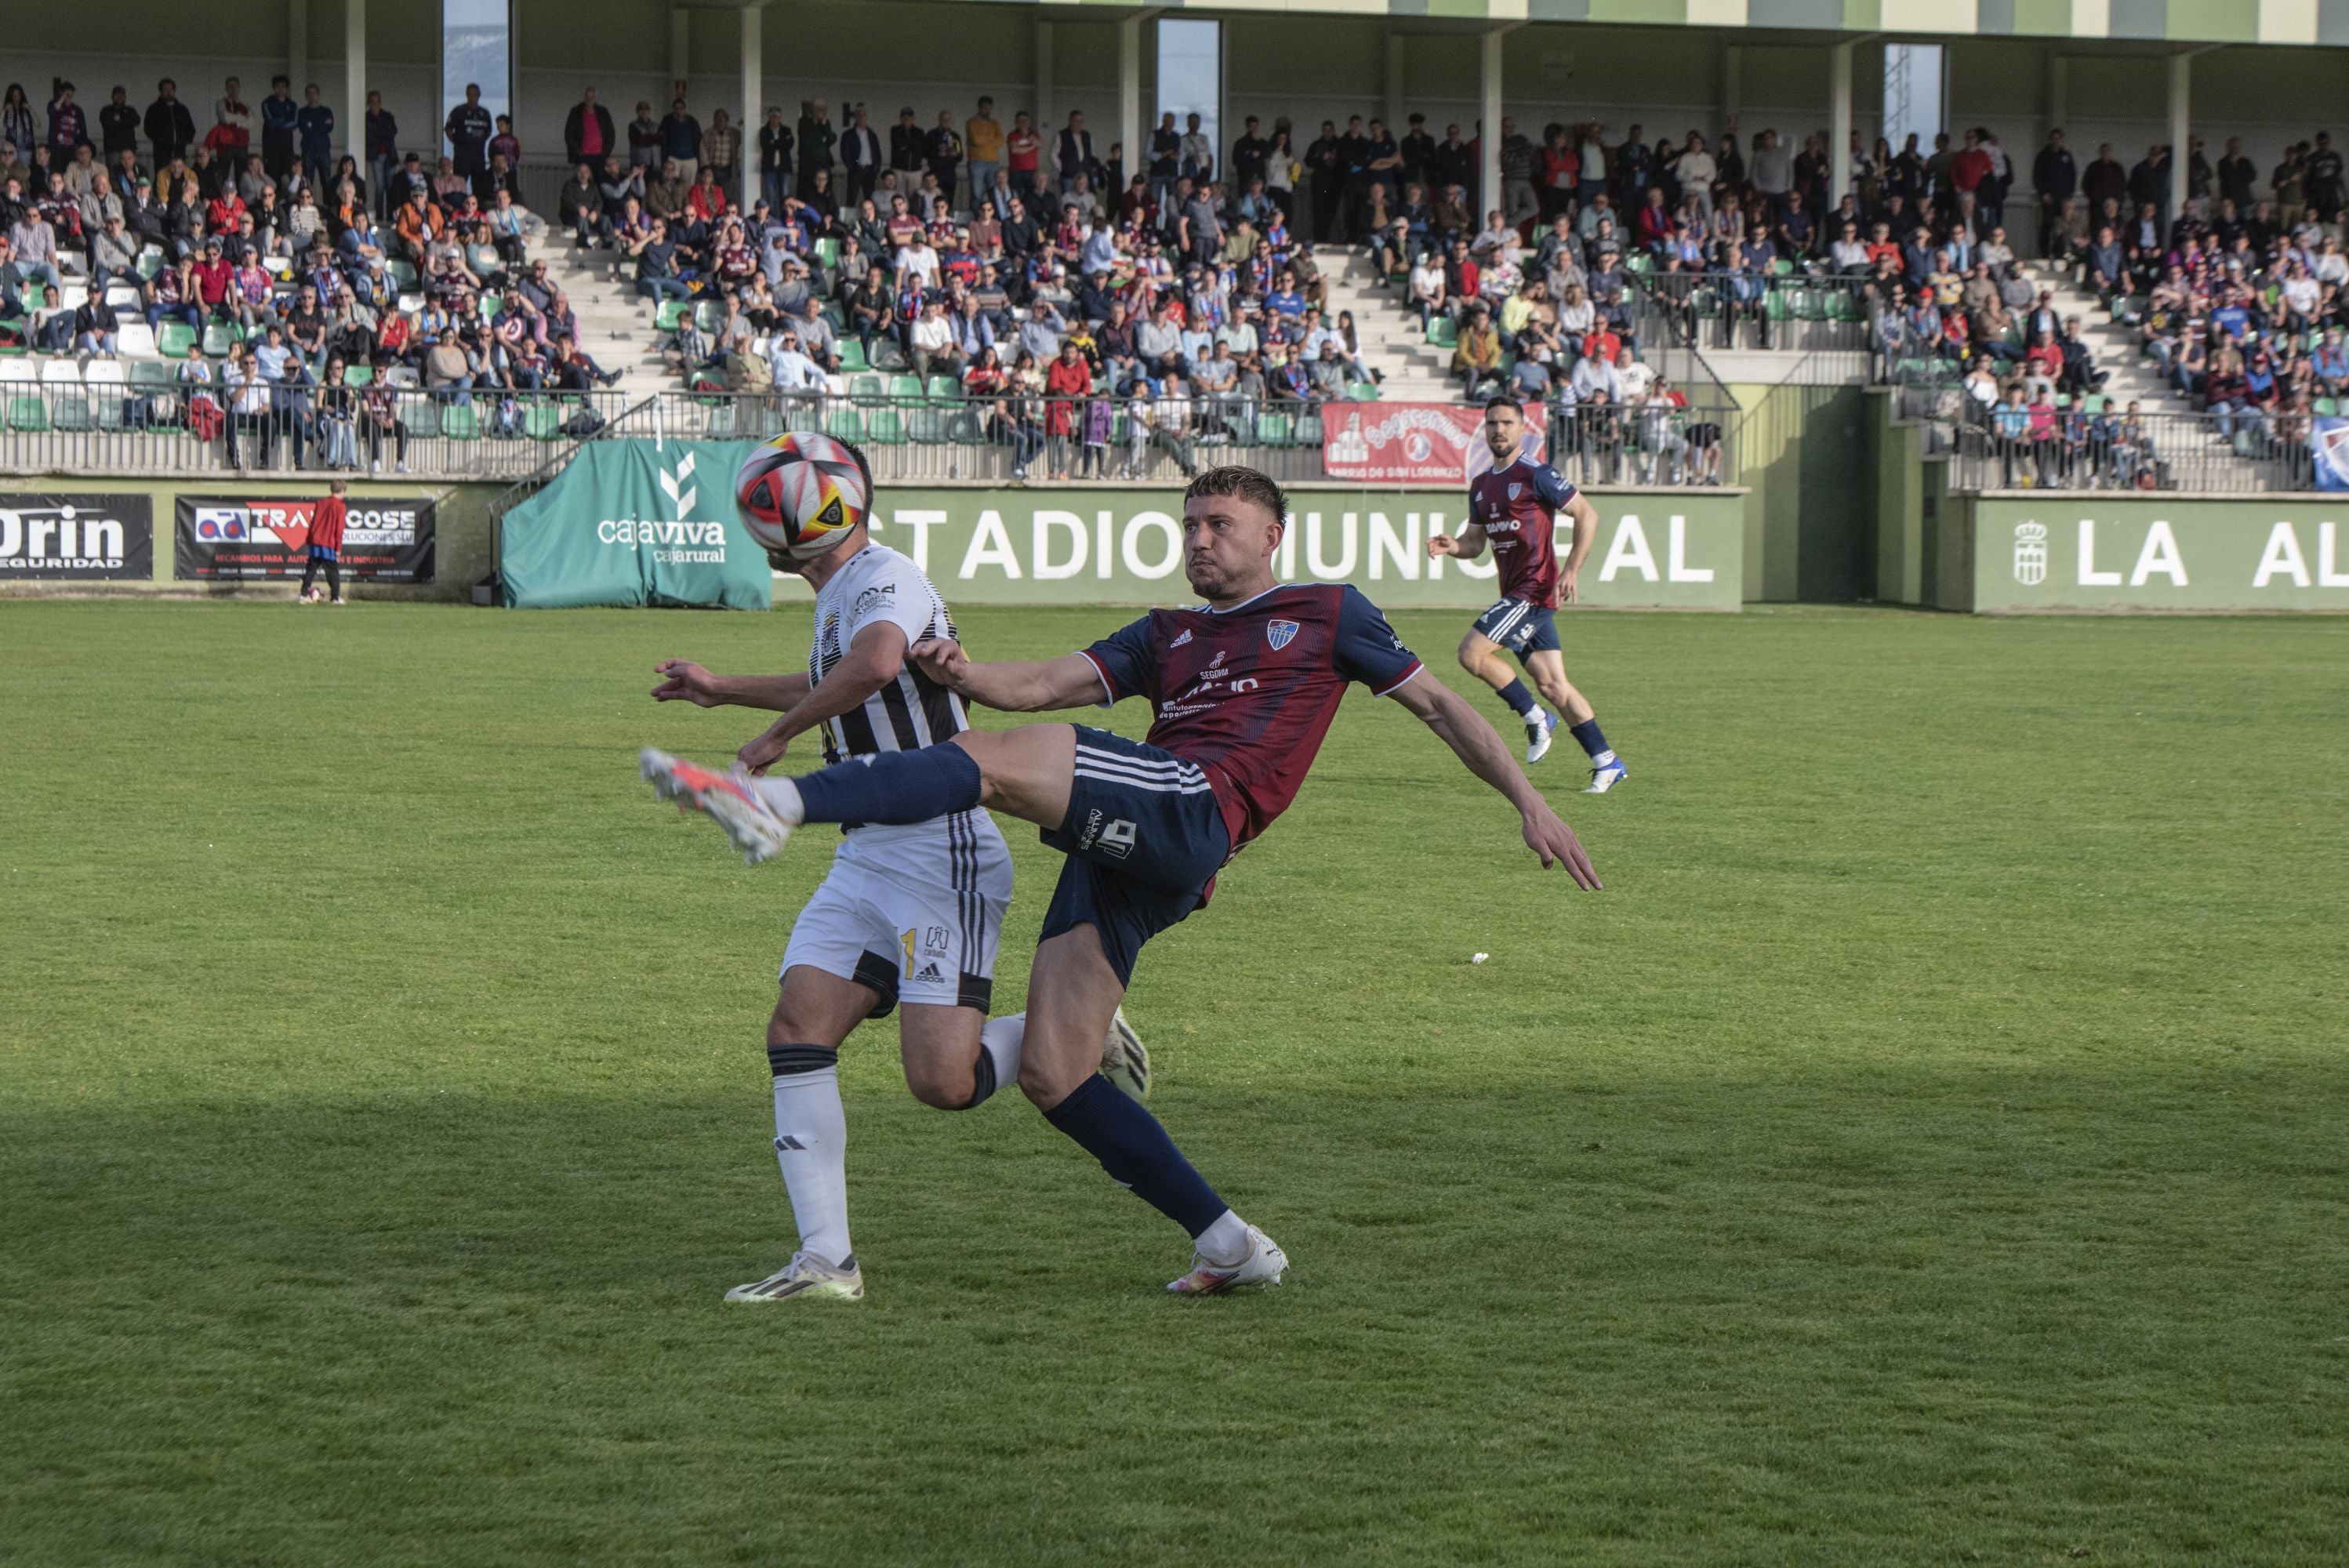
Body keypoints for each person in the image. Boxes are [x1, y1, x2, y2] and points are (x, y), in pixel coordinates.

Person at [640, 465, 1602, 1294]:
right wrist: (962, 669)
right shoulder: (1166, 632)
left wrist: (1529, 799)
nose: (1199, 540)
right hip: (1133, 843)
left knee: (983, 761)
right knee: (1053, 1071)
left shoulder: (1327, 611)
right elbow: (1042, 685)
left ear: (1273, 535)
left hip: (1194, 804)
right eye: (1189, 524)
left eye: (1218, 524)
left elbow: (1439, 706)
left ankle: (779, 804)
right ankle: (1230, 1244)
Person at [641, 443, 1144, 1303]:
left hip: (935, 842)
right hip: (865, 846)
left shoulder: (885, 576)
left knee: (942, 1081)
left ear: (775, 536)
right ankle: (825, 1261)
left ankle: (1078, 1026)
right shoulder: (846, 590)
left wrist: (778, 738)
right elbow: (842, 673)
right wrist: (723, 688)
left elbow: (874, 664)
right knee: (797, 1024)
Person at [1426, 397, 1628, 791]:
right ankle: (1606, 761)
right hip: (1517, 594)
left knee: (1471, 653)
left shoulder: (1537, 474)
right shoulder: (1482, 485)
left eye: (1507, 422)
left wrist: (1571, 569)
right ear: (1485, 429)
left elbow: (1588, 514)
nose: (1499, 430)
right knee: (1555, 685)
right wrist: (1452, 546)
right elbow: (1474, 543)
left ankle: (1536, 717)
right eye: (1492, 423)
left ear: (1521, 429)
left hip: (1534, 591)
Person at [300, 478, 349, 605]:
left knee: (311, 569)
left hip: (316, 541)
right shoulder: (340, 506)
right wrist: (338, 548)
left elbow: (314, 521)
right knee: (332, 572)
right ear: (342, 491)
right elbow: (339, 529)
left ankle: (303, 595)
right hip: (328, 543)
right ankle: (335, 597)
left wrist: (309, 539)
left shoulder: (321, 502)